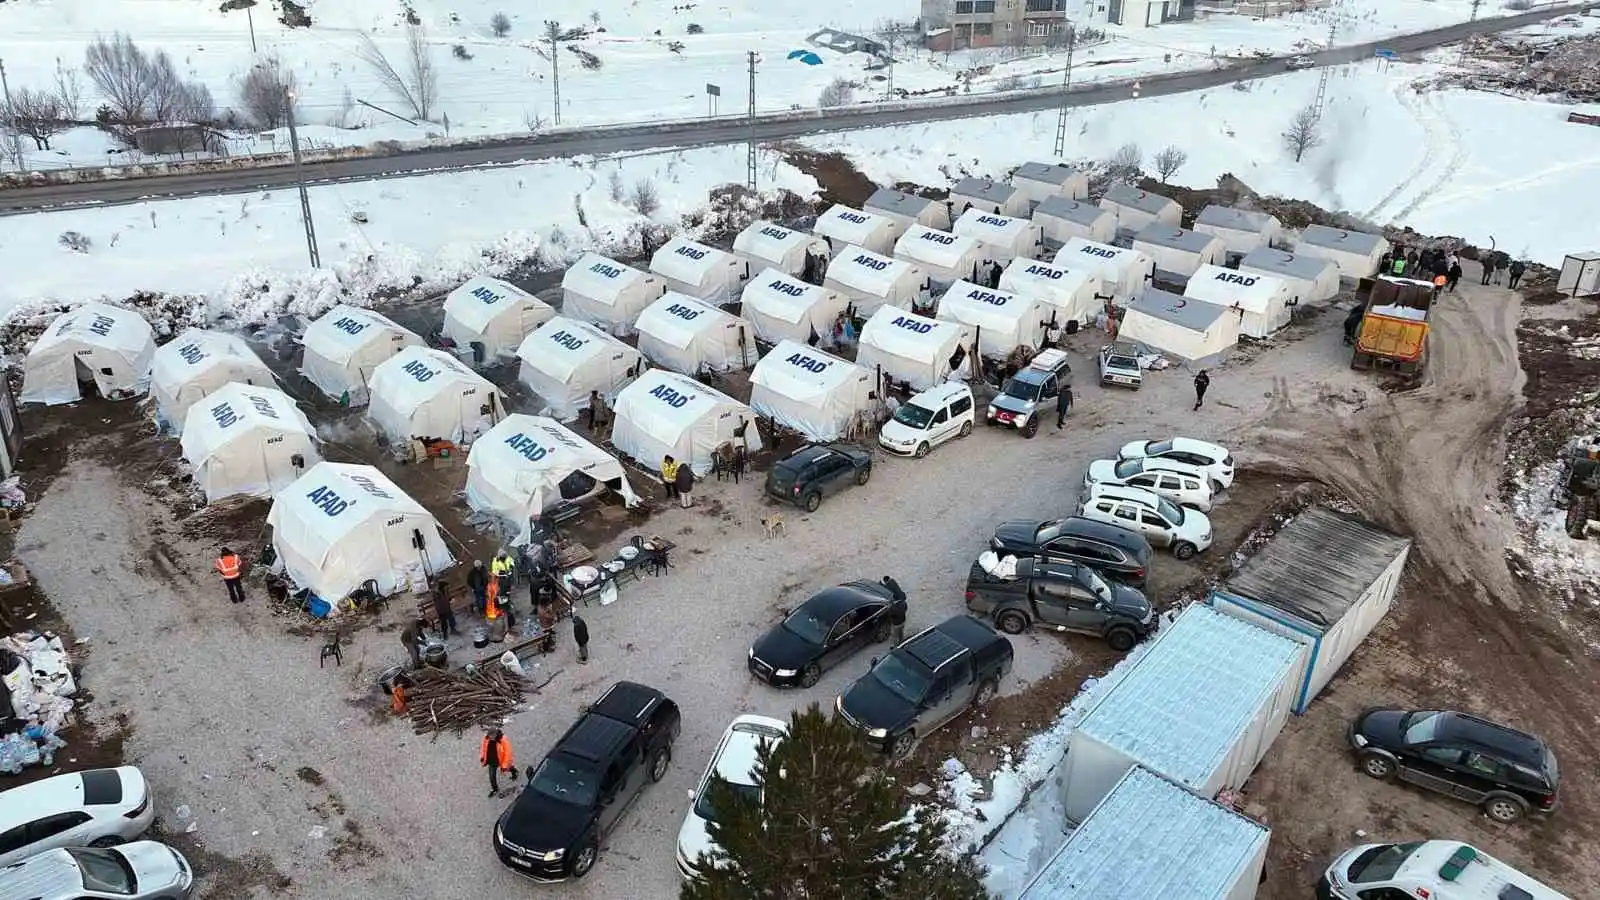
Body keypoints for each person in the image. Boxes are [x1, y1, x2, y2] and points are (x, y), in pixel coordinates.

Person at [480, 728, 516, 797]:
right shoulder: (486, 738)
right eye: (489, 736)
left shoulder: (503, 740)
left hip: (501, 760)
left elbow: (507, 753)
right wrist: (482, 757)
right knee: (492, 776)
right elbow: (483, 748)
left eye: (492, 736)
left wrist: (504, 765)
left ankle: (514, 772)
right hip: (492, 761)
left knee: (508, 768)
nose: (491, 738)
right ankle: (495, 789)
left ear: (496, 734)